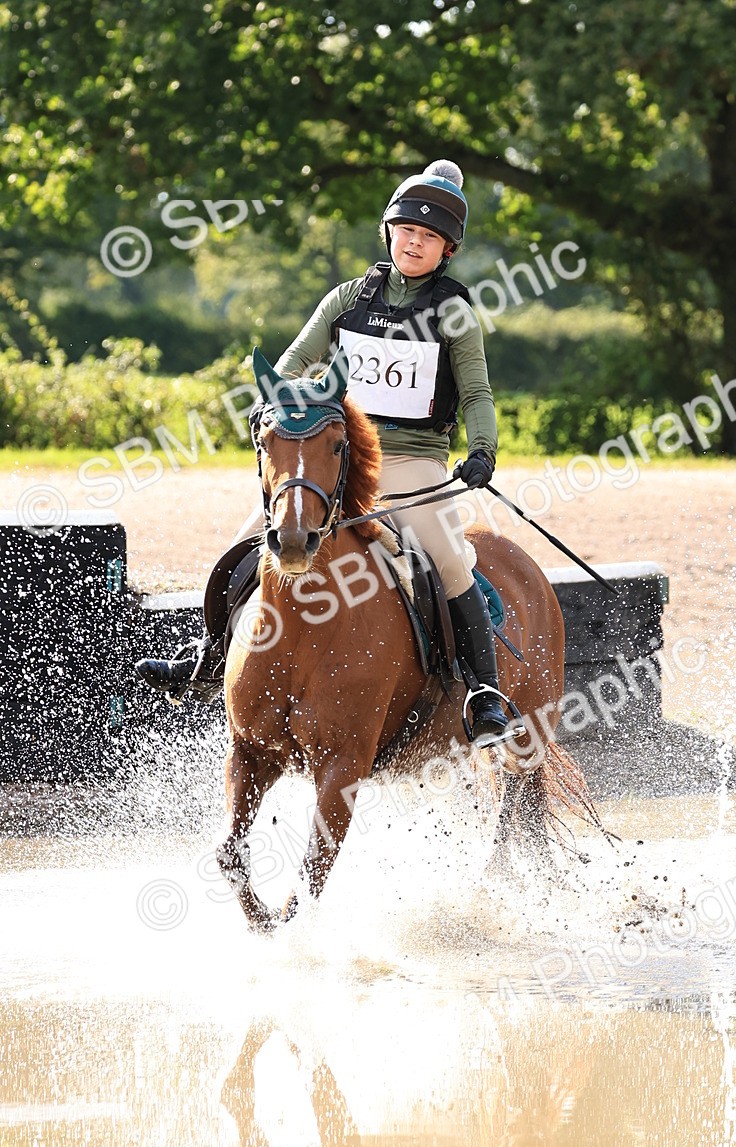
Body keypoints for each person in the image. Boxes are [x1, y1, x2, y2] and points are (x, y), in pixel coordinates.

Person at [137, 159, 519, 744]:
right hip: (335, 454)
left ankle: (483, 691)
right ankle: (209, 655)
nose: (414, 243)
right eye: (406, 231)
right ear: (389, 233)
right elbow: (291, 363)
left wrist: (483, 449)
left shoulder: (455, 312)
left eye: (428, 238)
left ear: (446, 251)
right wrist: (276, 407)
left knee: (447, 558)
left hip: (412, 462)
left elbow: (476, 392)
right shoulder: (347, 298)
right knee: (245, 545)